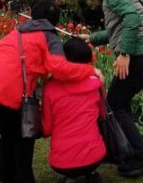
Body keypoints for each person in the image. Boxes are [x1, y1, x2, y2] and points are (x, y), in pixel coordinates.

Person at [0, 0, 101, 183]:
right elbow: (59, 68)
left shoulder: (17, 33)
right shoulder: (49, 36)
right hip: (3, 92)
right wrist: (90, 70)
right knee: (23, 138)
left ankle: (7, 178)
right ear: (54, 20)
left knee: (9, 135)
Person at [77, 0, 143, 177]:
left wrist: (125, 54)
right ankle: (128, 152)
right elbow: (120, 26)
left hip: (139, 53)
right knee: (120, 103)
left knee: (114, 104)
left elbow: (132, 19)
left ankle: (142, 157)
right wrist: (93, 38)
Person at [42, 38, 105, 183]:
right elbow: (102, 115)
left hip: (61, 161)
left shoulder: (50, 88)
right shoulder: (97, 83)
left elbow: (47, 128)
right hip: (96, 155)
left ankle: (71, 176)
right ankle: (91, 171)